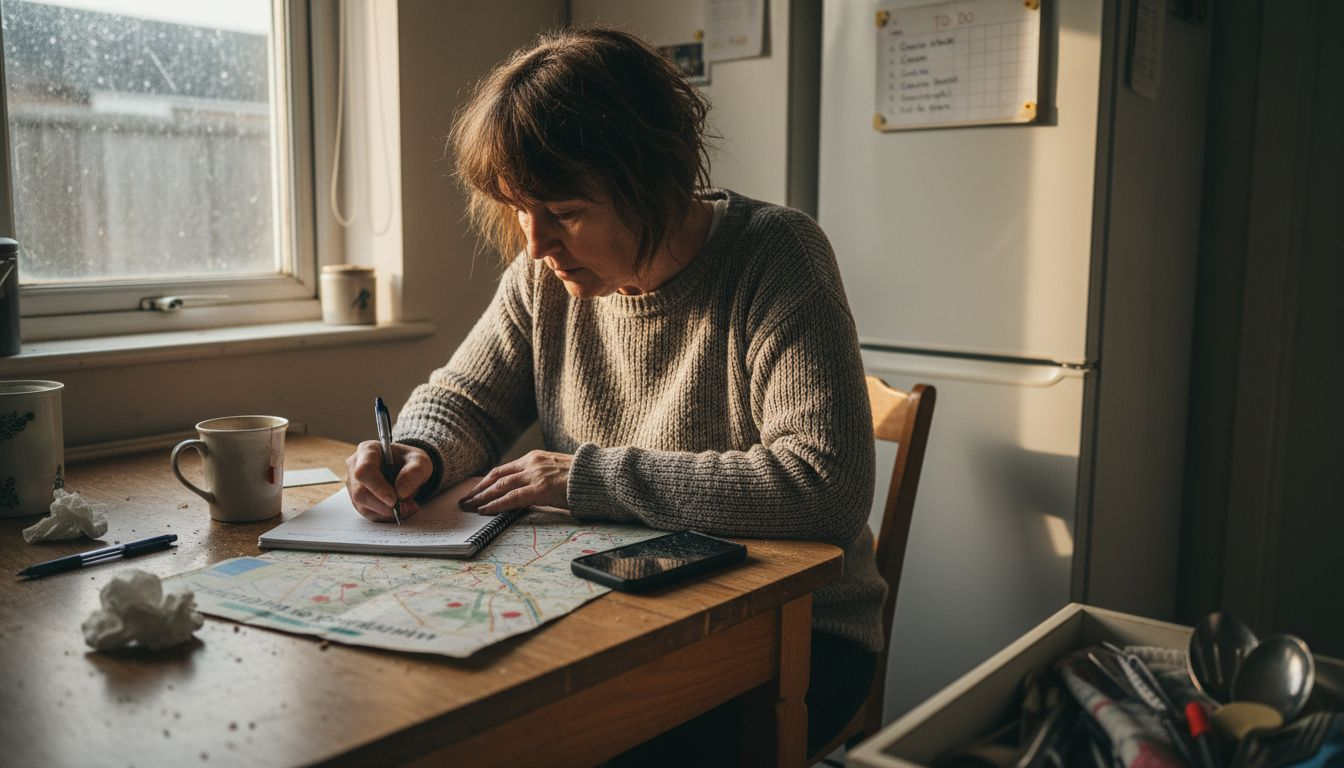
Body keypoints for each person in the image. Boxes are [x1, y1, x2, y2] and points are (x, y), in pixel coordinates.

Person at [344, 26, 885, 760]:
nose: (535, 243)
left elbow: (824, 488)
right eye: (518, 209)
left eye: (564, 212)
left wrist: (588, 479)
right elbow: (466, 398)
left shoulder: (777, 256)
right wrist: (418, 449)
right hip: (615, 605)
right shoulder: (545, 279)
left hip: (792, 632)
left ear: (654, 179)